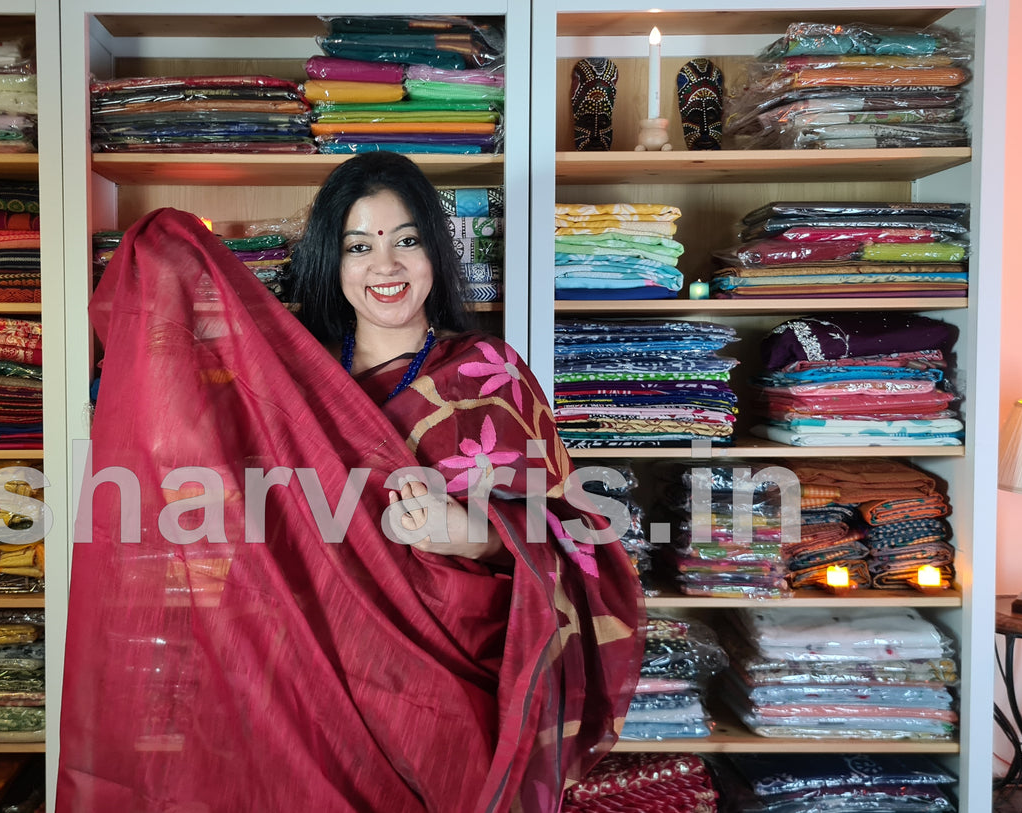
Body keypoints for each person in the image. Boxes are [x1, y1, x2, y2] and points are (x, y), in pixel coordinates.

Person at [59, 152, 643, 812]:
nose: (385, 266)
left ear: (434, 251)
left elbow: (574, 530)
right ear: (330, 261)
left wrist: (474, 535)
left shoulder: (489, 375)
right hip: (311, 686)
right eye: (358, 245)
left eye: (406, 240)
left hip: (451, 696)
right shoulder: (287, 386)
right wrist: (166, 253)